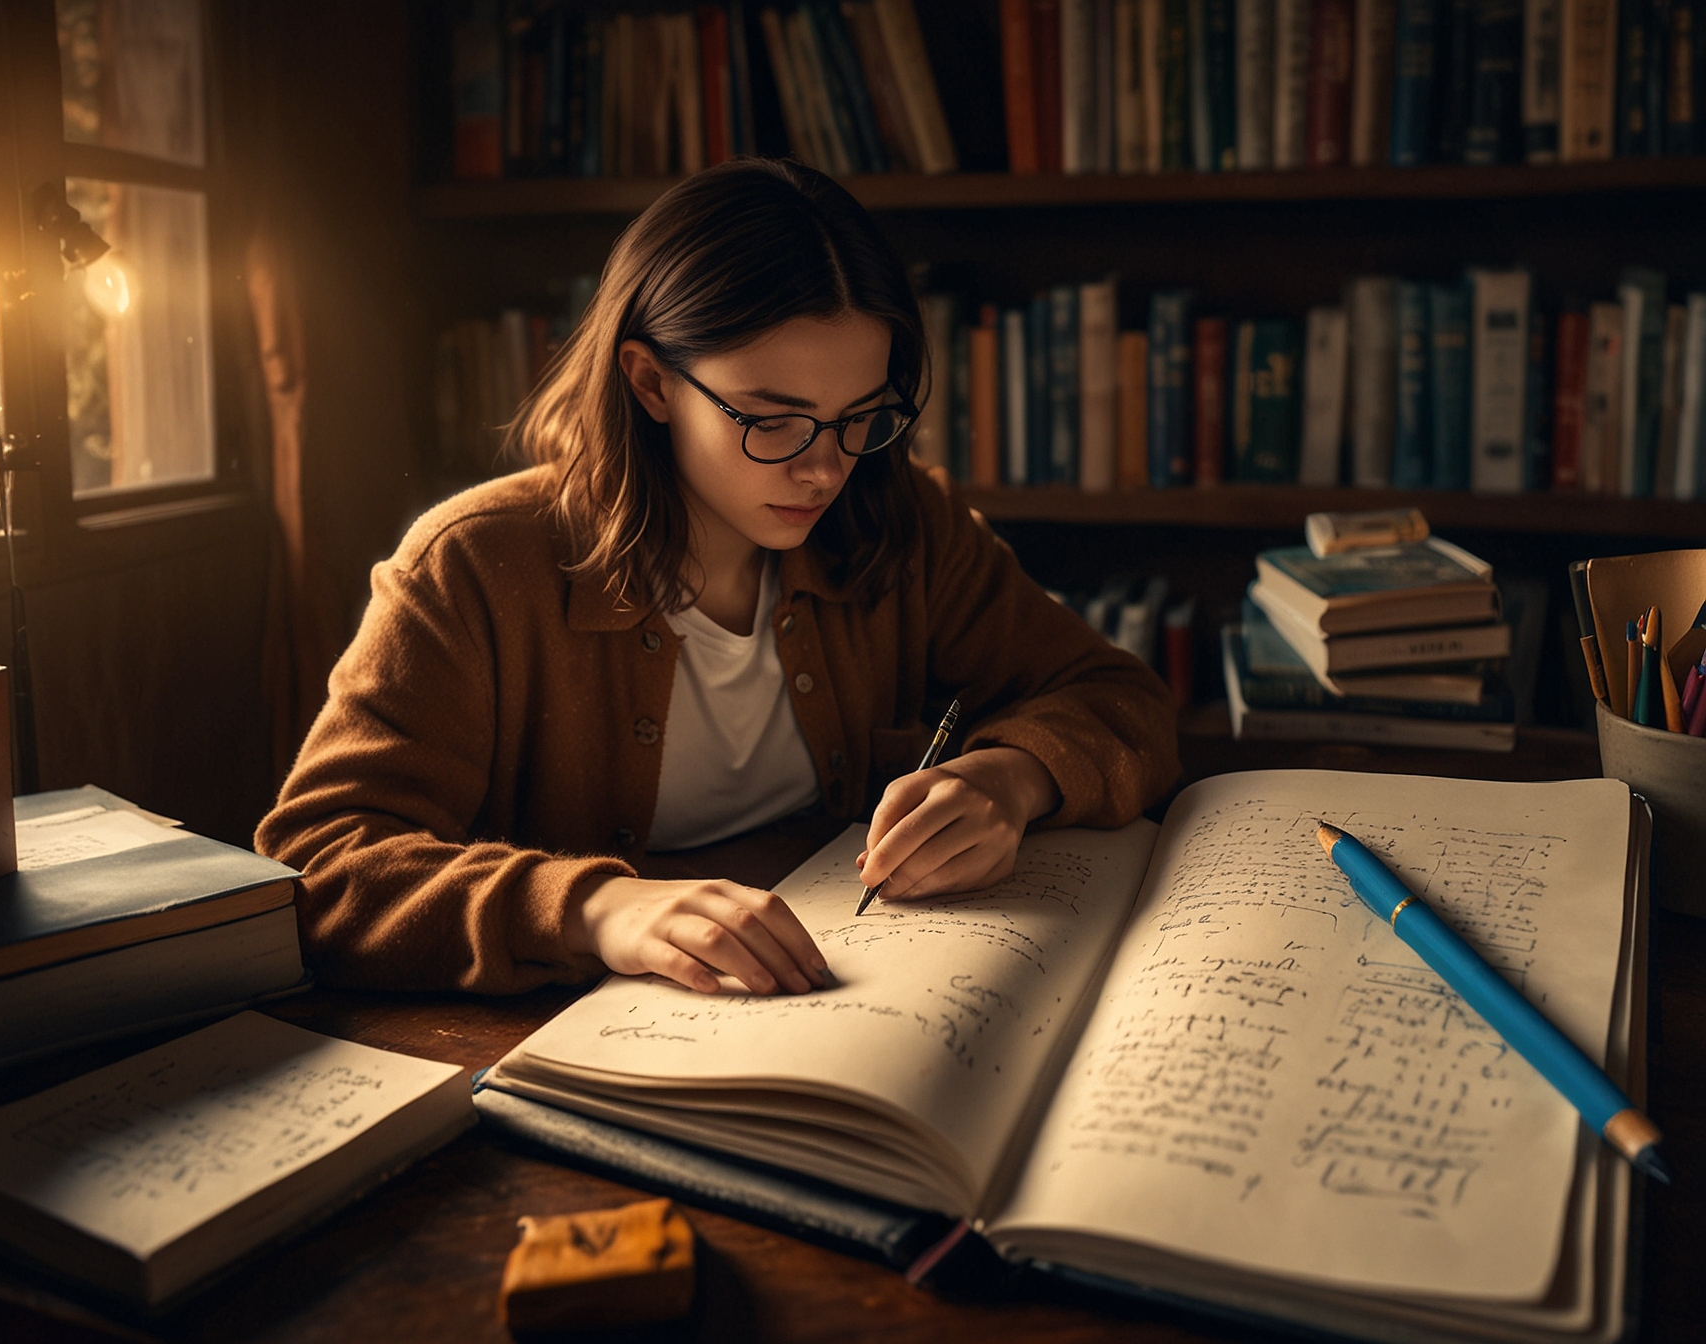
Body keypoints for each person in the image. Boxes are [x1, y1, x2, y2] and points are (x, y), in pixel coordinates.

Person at [255, 158, 1179, 1001]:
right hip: (568, 1040)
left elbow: (1117, 696)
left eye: (862, 416)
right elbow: (321, 865)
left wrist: (1014, 779)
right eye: (774, 420)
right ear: (651, 384)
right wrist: (597, 911)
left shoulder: (902, 525)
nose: (826, 469)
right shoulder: (474, 565)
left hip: (856, 996)